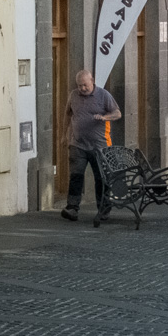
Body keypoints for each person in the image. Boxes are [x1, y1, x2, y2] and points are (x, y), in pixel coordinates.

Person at [60, 70, 121, 222]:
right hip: (78, 144)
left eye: (85, 85)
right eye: (80, 86)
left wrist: (105, 117)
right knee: (76, 176)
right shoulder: (73, 95)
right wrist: (63, 135)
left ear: (92, 81)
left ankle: (103, 209)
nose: (83, 88)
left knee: (101, 178)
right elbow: (67, 114)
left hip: (100, 146)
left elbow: (117, 113)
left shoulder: (104, 95)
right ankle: (72, 208)